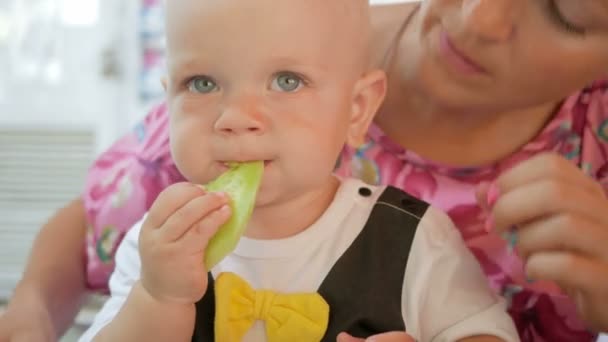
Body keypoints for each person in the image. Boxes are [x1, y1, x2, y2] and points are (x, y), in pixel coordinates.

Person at [1, 0, 607, 341]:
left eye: (287, 82)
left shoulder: (413, 237)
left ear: (357, 108)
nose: (236, 116)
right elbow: (88, 233)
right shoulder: (159, 239)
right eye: (201, 83)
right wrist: (158, 298)